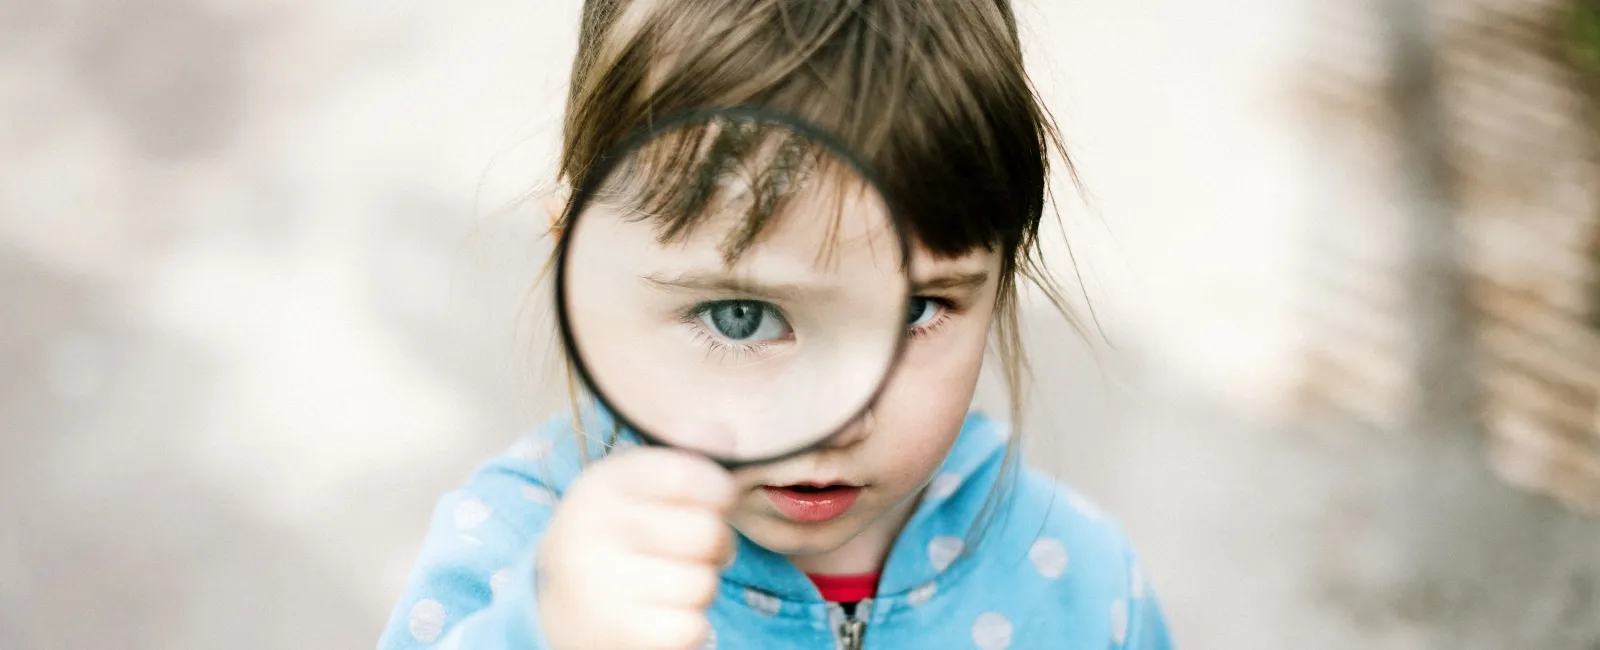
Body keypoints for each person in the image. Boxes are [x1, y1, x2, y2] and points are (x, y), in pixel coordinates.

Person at [378, 1, 1175, 648]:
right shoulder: (517, 560)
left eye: (913, 312)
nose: (834, 418)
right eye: (740, 316)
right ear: (580, 263)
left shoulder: (1080, 580)